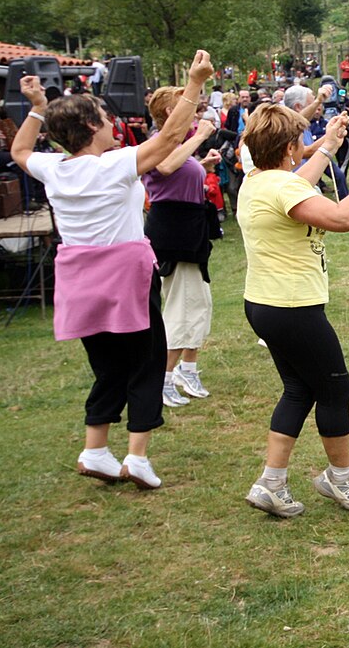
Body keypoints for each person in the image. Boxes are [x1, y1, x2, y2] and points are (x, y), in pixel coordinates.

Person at [11, 49, 215, 490]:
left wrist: (36, 110)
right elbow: (171, 137)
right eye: (103, 118)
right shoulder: (113, 165)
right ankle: (136, 457)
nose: (110, 124)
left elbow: (21, 148)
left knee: (107, 367)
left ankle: (95, 449)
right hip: (124, 275)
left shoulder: (53, 169)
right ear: (90, 126)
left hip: (78, 279)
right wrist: (195, 83)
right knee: (145, 361)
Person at [240, 104, 349, 518]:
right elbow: (343, 218)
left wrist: (327, 147)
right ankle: (340, 476)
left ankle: (271, 482)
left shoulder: (259, 180)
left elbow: (296, 183)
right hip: (293, 307)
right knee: (335, 388)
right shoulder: (282, 187)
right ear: (290, 147)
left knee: (299, 388)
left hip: (264, 304)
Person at [142, 90, 222, 408]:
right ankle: (162, 378)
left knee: (199, 301)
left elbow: (174, 172)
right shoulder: (159, 141)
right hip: (173, 231)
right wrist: (200, 136)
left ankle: (187, 369)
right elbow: (163, 168)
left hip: (190, 227)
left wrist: (202, 163)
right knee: (181, 305)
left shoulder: (177, 144)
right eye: (188, 103)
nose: (196, 107)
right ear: (170, 109)